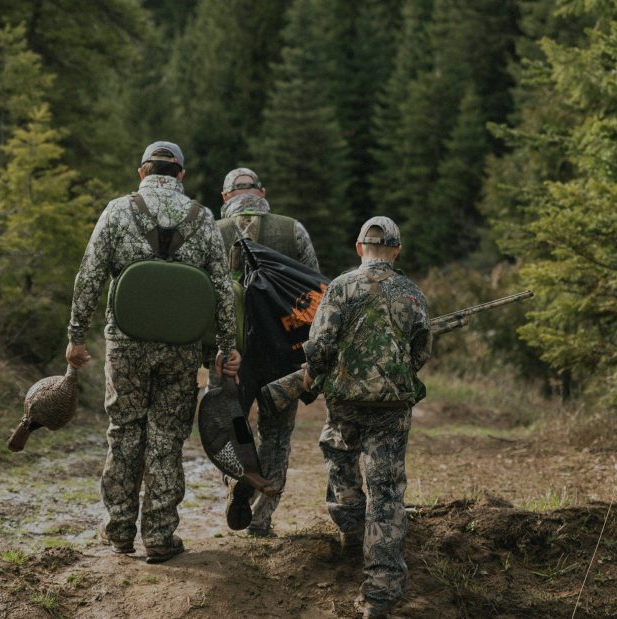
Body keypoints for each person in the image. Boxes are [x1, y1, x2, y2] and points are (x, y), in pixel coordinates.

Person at [65, 141, 241, 564]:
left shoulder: (117, 211)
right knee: (167, 437)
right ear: (180, 174)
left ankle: (119, 529)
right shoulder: (202, 218)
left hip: (125, 343)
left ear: (142, 172)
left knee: (124, 431)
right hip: (180, 348)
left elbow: (89, 275)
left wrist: (76, 336)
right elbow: (222, 289)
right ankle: (160, 535)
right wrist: (227, 347)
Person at [301, 217, 432, 618]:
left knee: (341, 466)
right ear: (396, 251)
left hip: (345, 402)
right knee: (387, 492)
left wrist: (316, 373)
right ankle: (380, 594)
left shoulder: (340, 287)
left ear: (359, 248)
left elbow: (320, 345)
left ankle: (351, 532)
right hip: (391, 409)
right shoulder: (412, 293)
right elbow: (421, 352)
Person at [216, 168, 319, 537]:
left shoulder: (213, 232)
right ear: (261, 193)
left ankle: (238, 481)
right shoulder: (293, 230)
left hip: (232, 355)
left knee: (230, 427)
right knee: (276, 435)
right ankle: (261, 519)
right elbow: (314, 293)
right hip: (282, 355)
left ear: (225, 198)